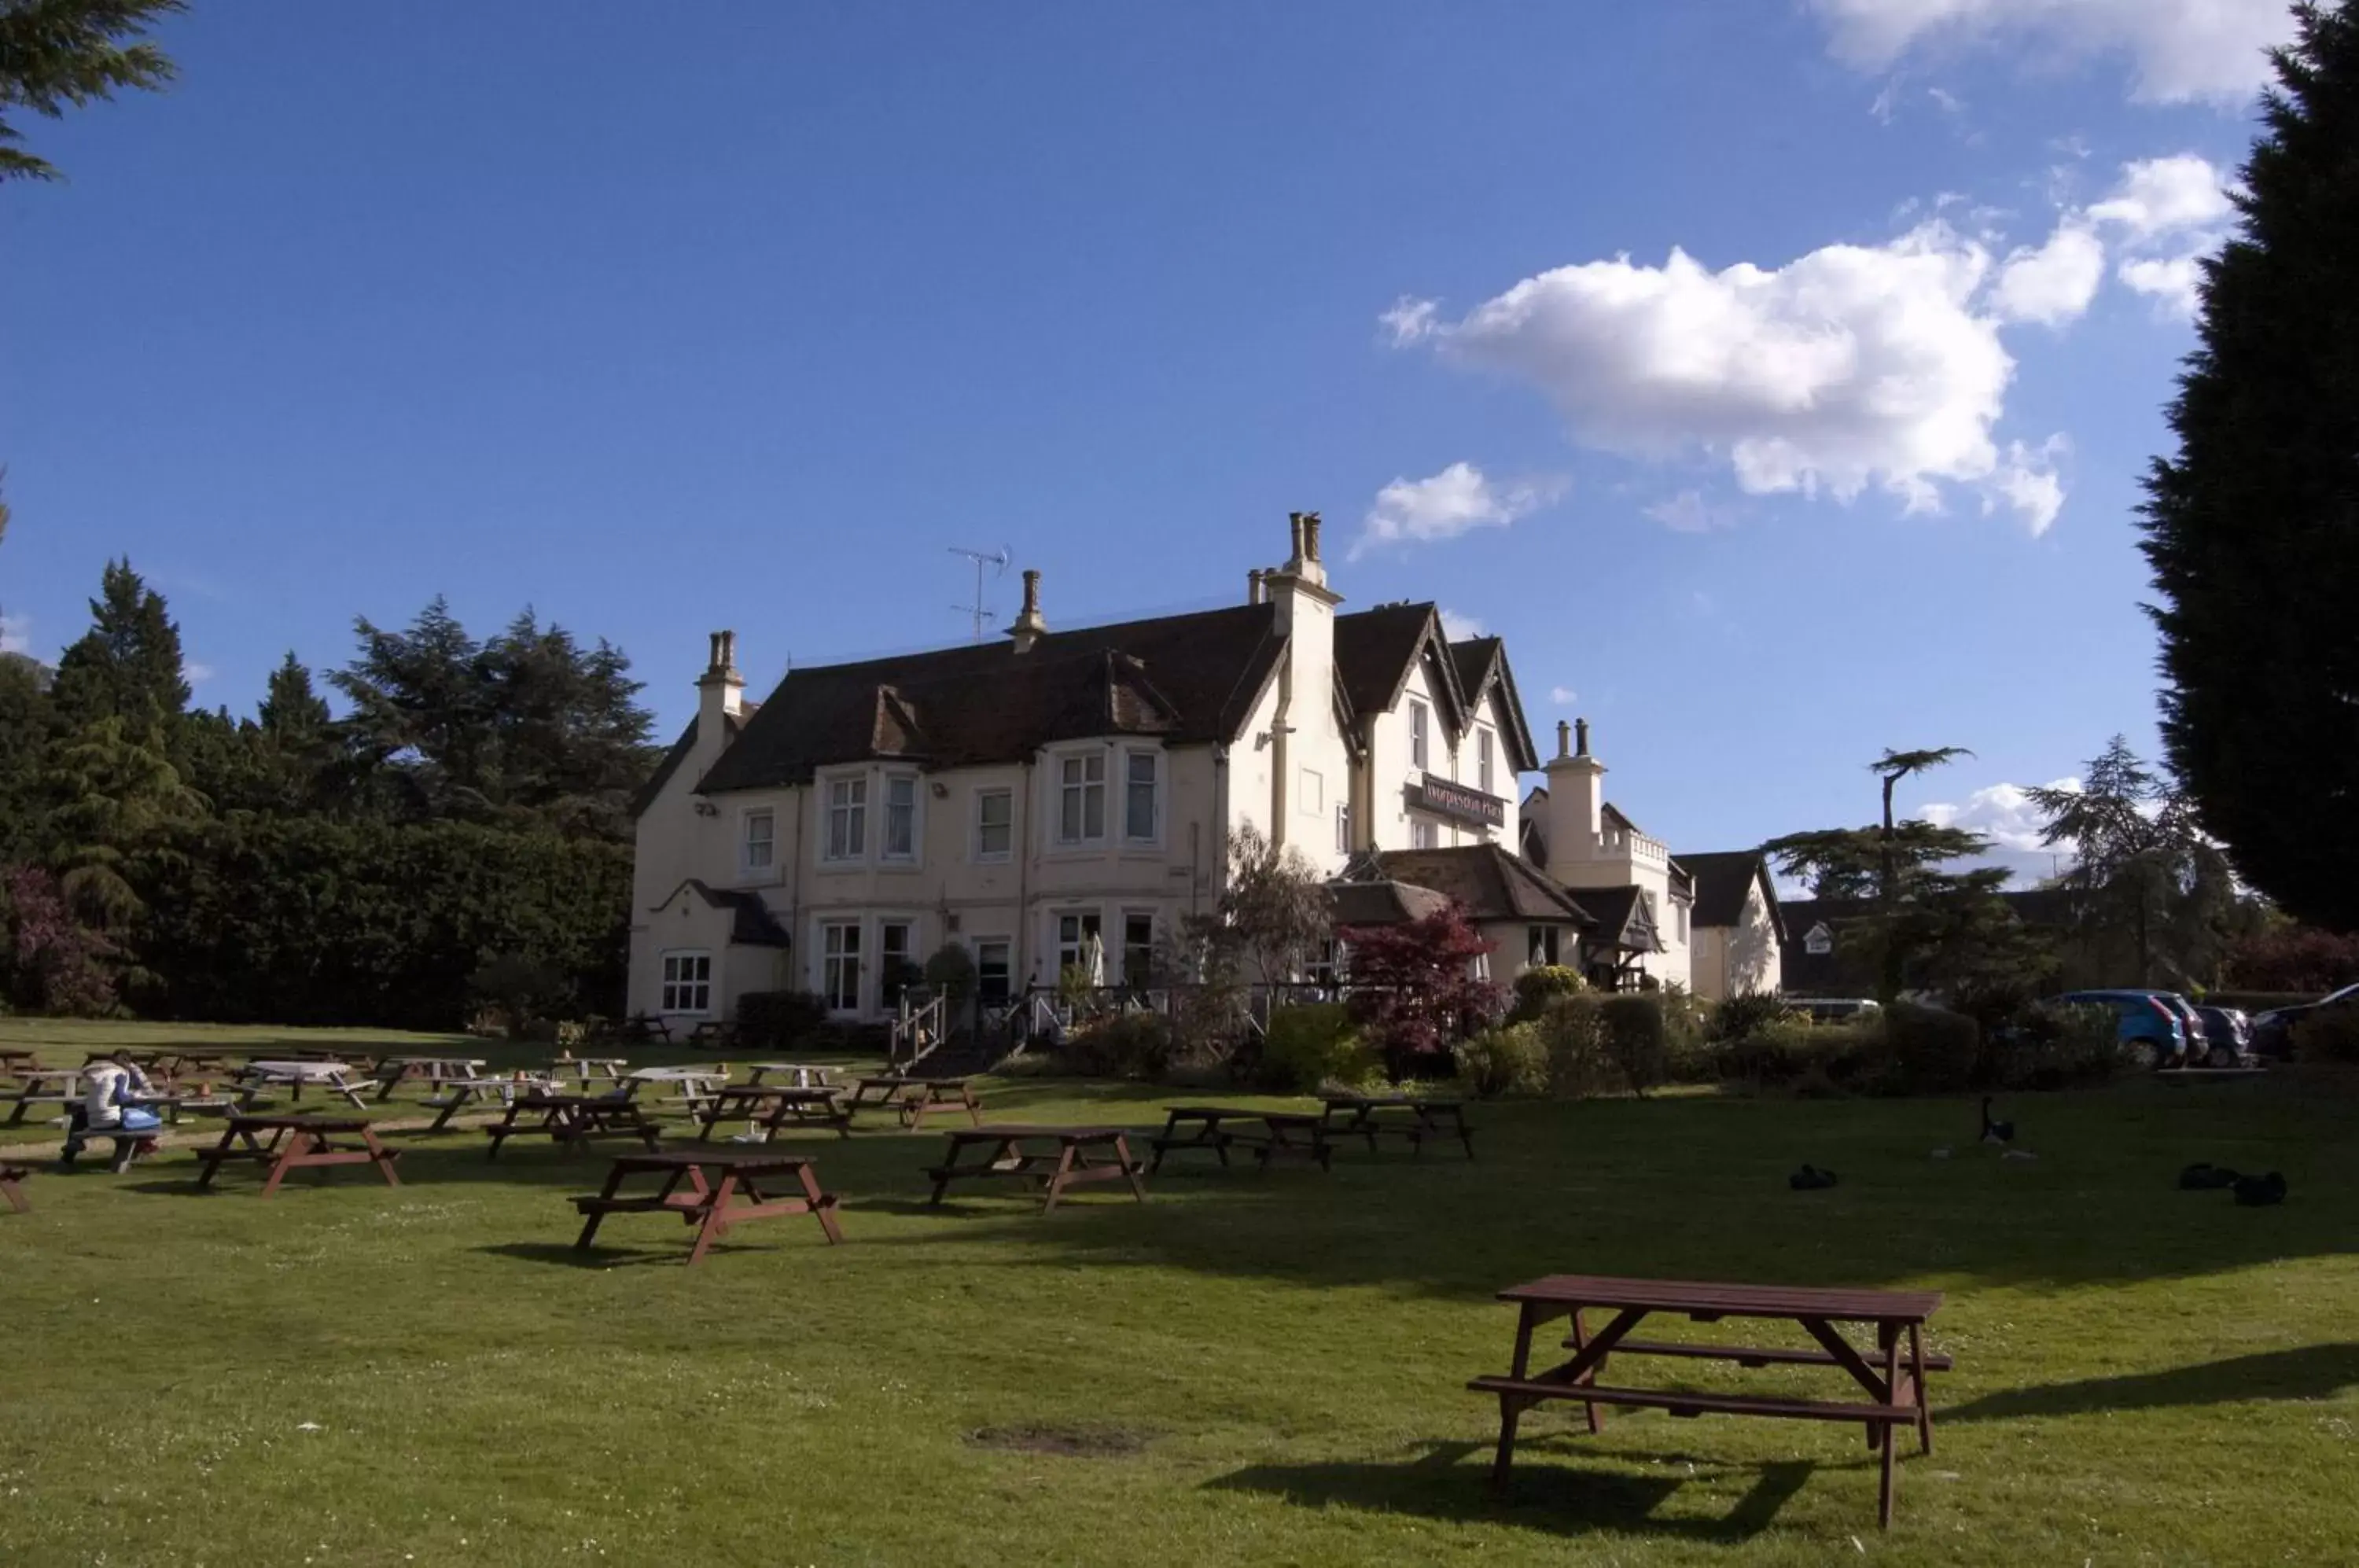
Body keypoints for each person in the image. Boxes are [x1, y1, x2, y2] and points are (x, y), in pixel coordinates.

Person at [61, 1052, 163, 1166]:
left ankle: (71, 1149)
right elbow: (121, 1097)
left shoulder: (97, 1073)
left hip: (94, 1118)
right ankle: (141, 1146)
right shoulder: (121, 1074)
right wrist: (134, 1096)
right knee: (143, 1119)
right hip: (113, 1119)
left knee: (80, 1116)